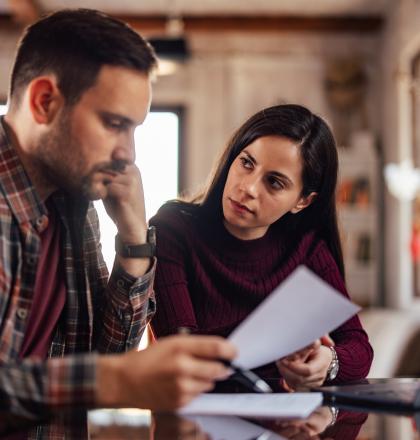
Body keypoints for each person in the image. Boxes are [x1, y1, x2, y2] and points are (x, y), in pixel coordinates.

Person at [0, 8, 236, 437]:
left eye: (135, 130)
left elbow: (107, 355)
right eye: (114, 124)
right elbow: (108, 376)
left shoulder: (75, 204)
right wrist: (114, 380)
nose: (128, 153)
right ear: (44, 102)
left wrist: (133, 239)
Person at [150, 104, 373, 390]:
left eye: (274, 182)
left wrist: (327, 363)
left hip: (283, 424)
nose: (249, 188)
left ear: (302, 201)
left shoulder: (307, 249)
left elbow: (359, 349)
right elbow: (180, 356)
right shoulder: (173, 230)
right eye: (247, 163)